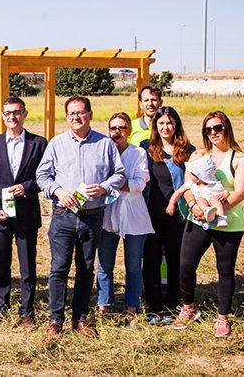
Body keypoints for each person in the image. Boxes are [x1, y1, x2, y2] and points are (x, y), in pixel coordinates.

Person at [36, 96, 126, 340]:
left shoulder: (105, 144)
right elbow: (42, 176)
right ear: (66, 117)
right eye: (72, 113)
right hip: (63, 215)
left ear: (90, 114)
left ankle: (81, 318)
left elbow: (119, 174)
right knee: (59, 268)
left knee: (86, 268)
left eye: (81, 112)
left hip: (92, 216)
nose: (76, 117)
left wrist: (105, 187)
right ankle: (55, 320)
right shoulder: (56, 144)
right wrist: (59, 191)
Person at [174, 111, 244, 338]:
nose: (214, 133)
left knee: (224, 269)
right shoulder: (198, 155)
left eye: (218, 128)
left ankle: (223, 316)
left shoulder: (239, 158)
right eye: (209, 129)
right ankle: (188, 307)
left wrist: (215, 211)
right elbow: (188, 186)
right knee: (185, 264)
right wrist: (194, 206)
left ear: (226, 128)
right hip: (197, 217)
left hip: (228, 222)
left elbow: (240, 192)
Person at [0, 97, 47, 328]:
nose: (12, 116)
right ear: (2, 115)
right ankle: (1, 308)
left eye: (17, 112)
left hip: (27, 213)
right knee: (2, 264)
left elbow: (45, 178)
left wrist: (27, 187)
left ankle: (27, 312)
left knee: (27, 265)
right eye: (8, 112)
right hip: (0, 216)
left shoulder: (39, 143)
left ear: (25, 114)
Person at [140, 106, 195, 324]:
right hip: (151, 214)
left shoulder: (187, 150)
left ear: (176, 125)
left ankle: (173, 305)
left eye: (170, 123)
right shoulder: (145, 148)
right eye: (161, 123)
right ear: (155, 126)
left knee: (176, 260)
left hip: (178, 215)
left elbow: (194, 180)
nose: (166, 127)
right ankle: (154, 306)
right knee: (151, 260)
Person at [96, 112, 153, 319]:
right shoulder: (102, 151)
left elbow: (140, 183)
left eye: (122, 128)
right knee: (104, 263)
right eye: (113, 128)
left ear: (129, 131)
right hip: (108, 212)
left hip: (134, 213)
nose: (117, 132)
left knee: (133, 264)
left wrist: (115, 183)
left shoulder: (138, 153)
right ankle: (104, 303)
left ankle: (132, 304)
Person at [166, 156, 229, 226]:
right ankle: (207, 210)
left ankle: (221, 218)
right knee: (200, 200)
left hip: (212, 202)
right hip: (201, 207)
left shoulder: (213, 184)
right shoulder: (191, 183)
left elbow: (226, 192)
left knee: (215, 201)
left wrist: (224, 196)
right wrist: (171, 203)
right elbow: (178, 192)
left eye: (192, 174)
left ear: (199, 178)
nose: (190, 175)